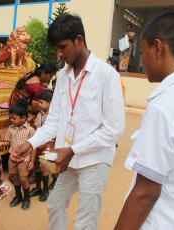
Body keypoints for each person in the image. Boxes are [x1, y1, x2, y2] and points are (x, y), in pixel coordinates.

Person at [13, 14, 125, 229]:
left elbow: (114, 128)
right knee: (55, 204)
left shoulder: (106, 75)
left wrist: (72, 150)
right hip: (68, 158)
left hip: (95, 159)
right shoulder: (63, 76)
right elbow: (54, 120)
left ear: (79, 40)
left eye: (62, 47)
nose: (59, 54)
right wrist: (30, 144)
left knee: (86, 219)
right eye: (56, 48)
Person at [114, 12, 174, 230]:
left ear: (158, 47)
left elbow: (146, 192)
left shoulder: (165, 105)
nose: (142, 60)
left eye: (142, 51)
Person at [0, 100, 35, 210]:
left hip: (24, 159)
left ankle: (27, 198)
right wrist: (1, 143)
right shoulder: (11, 128)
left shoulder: (30, 130)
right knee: (14, 177)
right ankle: (18, 196)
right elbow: (8, 141)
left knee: (23, 179)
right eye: (11, 118)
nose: (11, 120)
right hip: (12, 158)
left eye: (14, 118)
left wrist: (32, 161)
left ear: (23, 118)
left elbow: (33, 147)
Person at [28, 89, 55, 201]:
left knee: (45, 168)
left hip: (49, 145)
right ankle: (38, 188)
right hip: (38, 143)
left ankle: (45, 190)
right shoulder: (39, 114)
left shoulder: (54, 116)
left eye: (41, 102)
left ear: (50, 103)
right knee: (37, 166)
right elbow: (36, 129)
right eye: (38, 102)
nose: (38, 105)